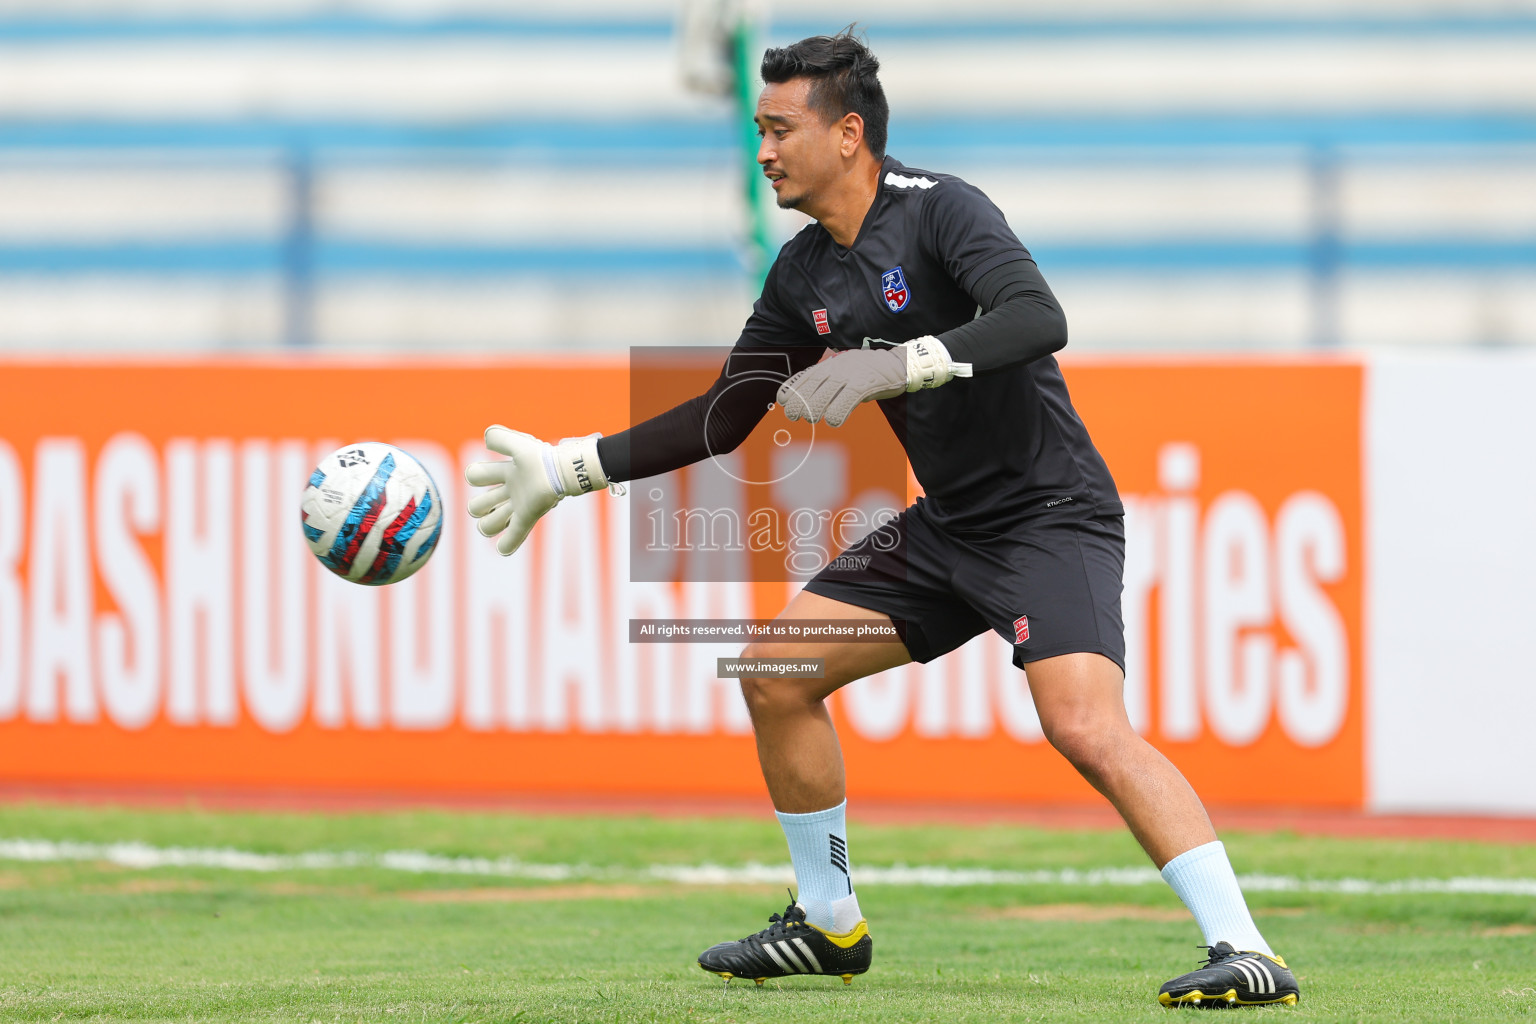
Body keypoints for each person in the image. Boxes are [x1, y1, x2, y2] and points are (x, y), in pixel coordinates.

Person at [464, 30, 1299, 1010]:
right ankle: (828, 922)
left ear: (849, 133)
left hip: (1048, 516)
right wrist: (573, 466)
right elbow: (726, 414)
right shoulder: (804, 272)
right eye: (759, 129)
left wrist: (904, 362)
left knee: (1082, 725)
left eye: (781, 128)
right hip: (949, 527)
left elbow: (1038, 315)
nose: (764, 150)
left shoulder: (942, 210)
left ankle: (1244, 946)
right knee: (777, 674)